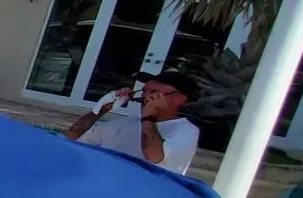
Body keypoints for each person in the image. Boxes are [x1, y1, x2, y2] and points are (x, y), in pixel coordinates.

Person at [61, 71, 201, 174]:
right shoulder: (128, 123)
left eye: (154, 92)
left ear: (179, 99)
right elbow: (72, 136)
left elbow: (153, 155)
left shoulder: (185, 130)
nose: (146, 96)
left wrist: (148, 117)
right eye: (145, 91)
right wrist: (100, 110)